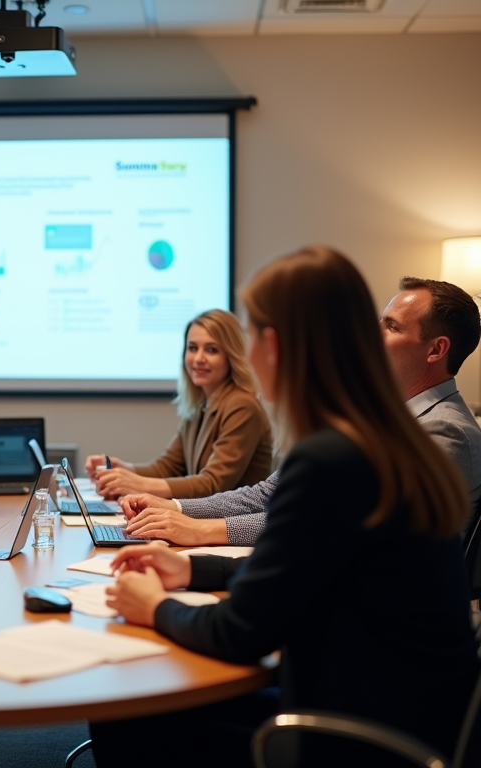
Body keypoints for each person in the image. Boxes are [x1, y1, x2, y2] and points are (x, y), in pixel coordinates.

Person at [92, 246, 480, 767]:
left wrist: (153, 606)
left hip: (352, 737)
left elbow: (241, 632)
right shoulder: (378, 439)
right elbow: (308, 562)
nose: (245, 355)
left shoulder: (342, 454)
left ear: (273, 345)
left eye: (249, 336)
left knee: (126, 711)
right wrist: (189, 566)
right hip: (393, 704)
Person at [120, 276, 481, 549]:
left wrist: (204, 531)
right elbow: (270, 494)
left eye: (391, 326)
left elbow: (346, 526)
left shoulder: (447, 433)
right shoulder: (376, 417)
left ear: (436, 350)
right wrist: (178, 510)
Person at [84, 309, 273, 499]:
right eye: (192, 348)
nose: (198, 358)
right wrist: (124, 469)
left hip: (233, 525)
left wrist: (136, 483)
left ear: (231, 356)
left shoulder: (242, 406)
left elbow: (213, 483)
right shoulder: (201, 404)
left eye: (211, 349)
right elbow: (168, 467)